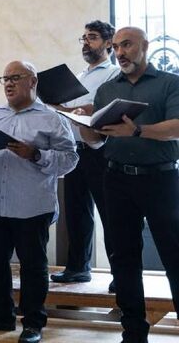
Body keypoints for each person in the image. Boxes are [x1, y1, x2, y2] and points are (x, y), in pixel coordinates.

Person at [80, 26, 179, 343]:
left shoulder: (169, 84)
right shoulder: (108, 91)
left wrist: (137, 131)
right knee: (123, 257)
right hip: (117, 178)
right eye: (117, 47)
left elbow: (176, 128)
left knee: (174, 255)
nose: (120, 52)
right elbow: (97, 140)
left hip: (161, 180)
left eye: (127, 45)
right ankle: (133, 331)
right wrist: (83, 125)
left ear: (144, 46)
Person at [0, 61, 77, 343]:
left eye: (16, 77)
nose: (9, 83)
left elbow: (69, 160)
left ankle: (33, 323)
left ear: (33, 82)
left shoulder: (52, 119)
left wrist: (36, 155)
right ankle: (2, 316)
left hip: (32, 206)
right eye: (5, 78)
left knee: (33, 267)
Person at [50, 21, 119, 289]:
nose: (86, 43)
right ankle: (78, 267)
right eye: (84, 38)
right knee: (76, 213)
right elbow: (71, 109)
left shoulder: (113, 74)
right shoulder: (79, 76)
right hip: (74, 149)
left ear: (108, 43)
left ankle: (119, 272)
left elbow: (103, 106)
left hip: (100, 150)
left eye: (91, 38)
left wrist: (81, 110)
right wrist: (54, 104)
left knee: (109, 212)